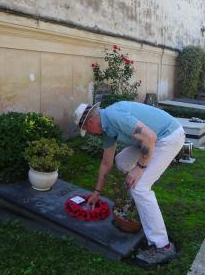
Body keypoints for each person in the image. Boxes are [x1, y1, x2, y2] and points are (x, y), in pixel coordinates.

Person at [73, 101, 185, 266]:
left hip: (167, 137)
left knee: (140, 188)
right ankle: (136, 198)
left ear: (90, 122)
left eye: (86, 130)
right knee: (122, 161)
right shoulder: (107, 129)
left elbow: (150, 137)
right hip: (149, 140)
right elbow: (106, 163)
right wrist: (97, 192)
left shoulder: (114, 115)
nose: (89, 133)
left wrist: (139, 168)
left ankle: (163, 246)